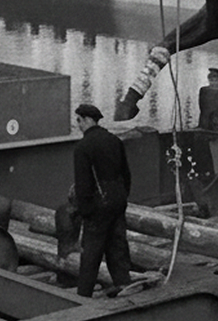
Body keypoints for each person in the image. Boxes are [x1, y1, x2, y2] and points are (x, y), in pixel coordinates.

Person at [71, 103, 132, 297]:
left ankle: (84, 295)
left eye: (79, 121)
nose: (78, 125)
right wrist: (122, 197)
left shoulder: (83, 147)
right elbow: (126, 174)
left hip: (98, 204)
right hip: (118, 199)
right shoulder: (114, 140)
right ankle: (124, 285)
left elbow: (83, 183)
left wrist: (85, 210)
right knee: (117, 245)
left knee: (91, 252)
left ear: (88, 120)